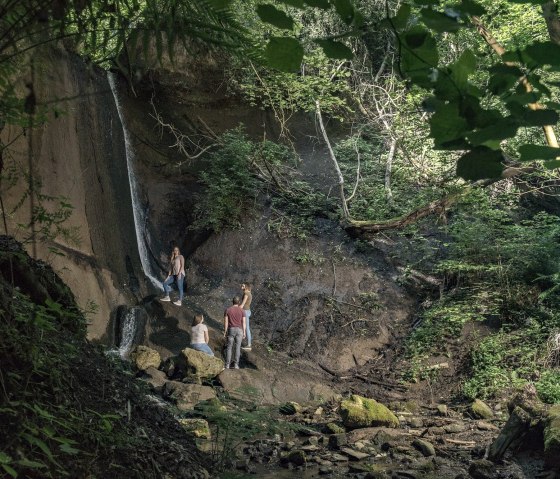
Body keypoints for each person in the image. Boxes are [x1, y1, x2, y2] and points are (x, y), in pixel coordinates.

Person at [224, 296, 246, 369]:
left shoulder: (228, 310)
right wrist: (244, 332)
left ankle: (227, 365)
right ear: (239, 302)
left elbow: (226, 322)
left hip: (231, 329)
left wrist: (225, 331)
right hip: (239, 330)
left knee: (229, 347)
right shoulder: (242, 311)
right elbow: (244, 323)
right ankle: (236, 365)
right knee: (237, 347)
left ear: (232, 301)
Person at [240, 283, 253, 351]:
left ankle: (249, 345)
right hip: (247, 311)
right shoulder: (249, 293)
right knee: (243, 326)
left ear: (246, 287)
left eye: (243, 286)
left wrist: (235, 308)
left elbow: (242, 304)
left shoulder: (246, 294)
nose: (241, 286)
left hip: (245, 311)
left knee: (247, 328)